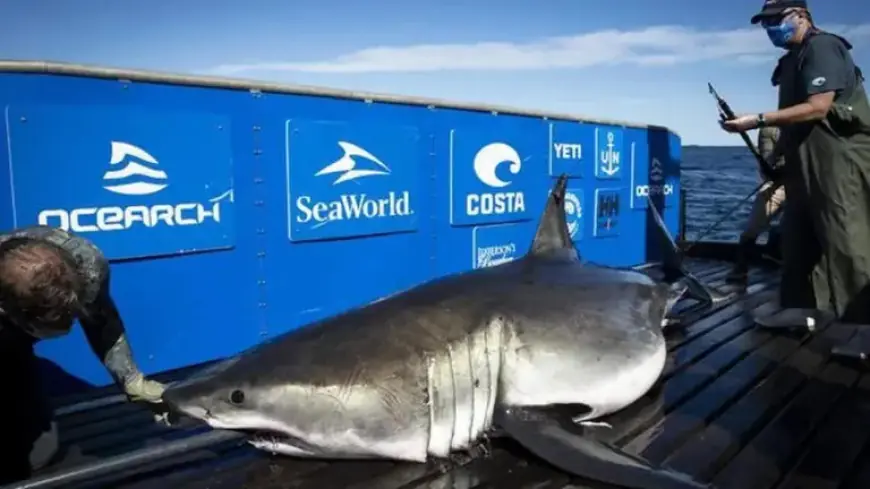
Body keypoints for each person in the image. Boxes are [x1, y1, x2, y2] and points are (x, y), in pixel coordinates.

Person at [721, 0, 870, 323]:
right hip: (801, 162)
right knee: (797, 238)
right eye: (765, 23)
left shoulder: (823, 47)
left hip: (838, 161)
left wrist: (757, 120)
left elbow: (818, 107)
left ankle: (864, 327)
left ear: (801, 16)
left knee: (846, 240)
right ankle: (799, 310)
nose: (770, 28)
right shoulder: (791, 60)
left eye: (777, 20)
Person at [0, 226, 167, 484]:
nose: (68, 329)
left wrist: (132, 380)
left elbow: (103, 322)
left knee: (41, 451)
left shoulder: (87, 262)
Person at [727, 125, 787, 283]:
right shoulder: (769, 130)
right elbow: (767, 165)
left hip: (805, 185)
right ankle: (740, 269)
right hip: (777, 184)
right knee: (752, 227)